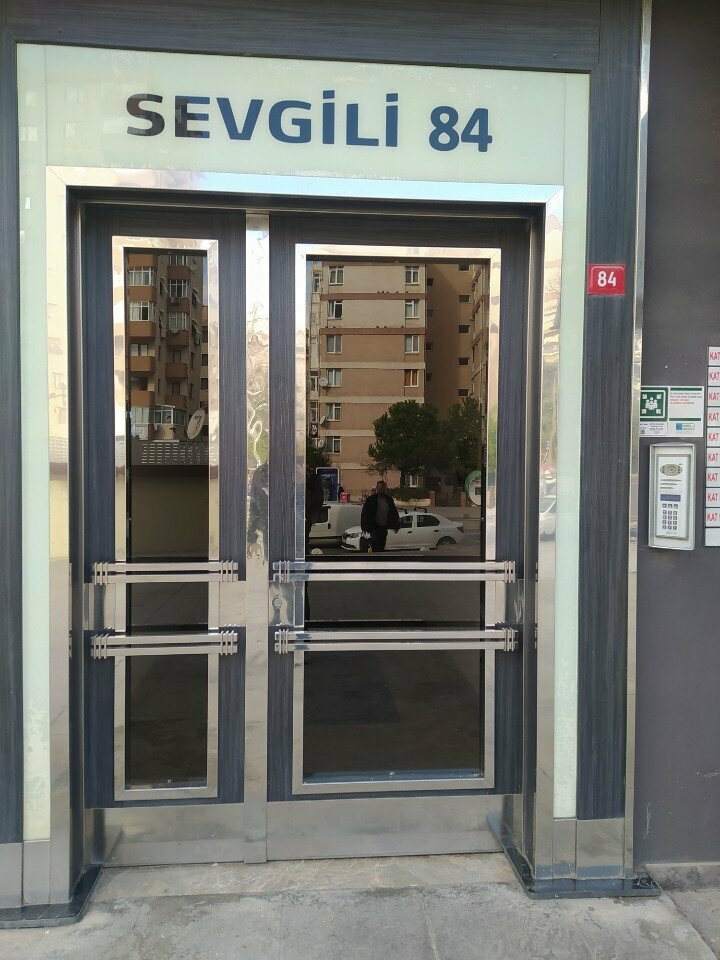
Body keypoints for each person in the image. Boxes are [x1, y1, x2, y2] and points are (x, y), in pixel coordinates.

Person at [360, 480, 401, 553]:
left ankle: (380, 557)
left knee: (382, 545)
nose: (380, 490)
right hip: (374, 526)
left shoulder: (389, 499)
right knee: (375, 543)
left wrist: (396, 525)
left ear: (385, 489)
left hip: (384, 527)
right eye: (379, 488)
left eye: (382, 489)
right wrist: (364, 527)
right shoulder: (371, 499)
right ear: (376, 488)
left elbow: (394, 513)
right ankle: (376, 557)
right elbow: (365, 514)